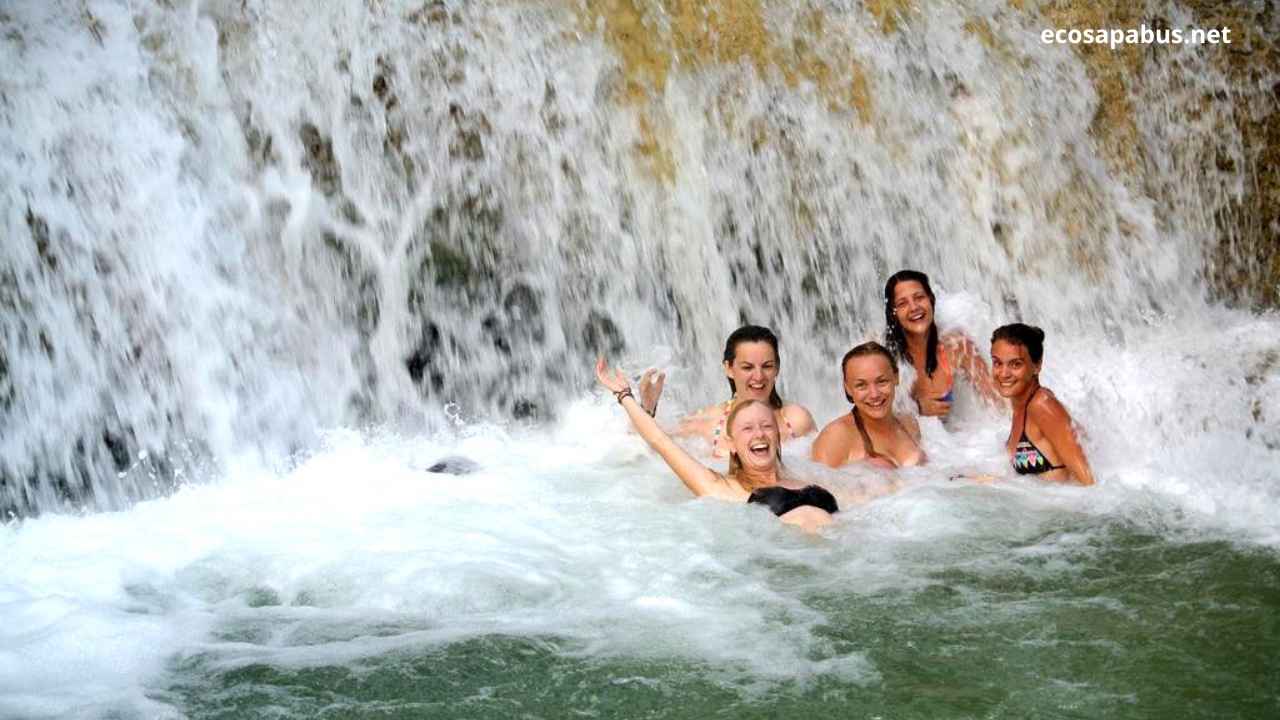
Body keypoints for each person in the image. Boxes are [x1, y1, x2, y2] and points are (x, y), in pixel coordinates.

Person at [596, 358, 836, 531]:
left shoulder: (809, 475)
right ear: (731, 444)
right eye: (747, 428)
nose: (759, 434)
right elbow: (660, 441)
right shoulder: (720, 488)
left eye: (766, 426)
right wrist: (624, 396)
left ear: (777, 435)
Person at [639, 325, 815, 457]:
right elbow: (645, 447)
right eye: (747, 367)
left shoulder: (796, 420)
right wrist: (647, 409)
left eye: (767, 366)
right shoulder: (706, 424)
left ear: (777, 368)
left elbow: (822, 472)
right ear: (729, 368)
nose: (759, 376)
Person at [884, 270, 1002, 418]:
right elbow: (871, 417)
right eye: (902, 303)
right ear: (893, 313)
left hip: (952, 437)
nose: (914, 307)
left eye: (919, 297)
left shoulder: (956, 346)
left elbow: (997, 402)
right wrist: (917, 408)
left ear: (931, 300)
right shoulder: (882, 356)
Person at [990, 324, 1095, 486]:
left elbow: (1090, 482)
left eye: (1016, 364)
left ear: (1037, 366)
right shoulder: (1021, 407)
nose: (1003, 374)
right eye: (997, 363)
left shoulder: (1042, 405)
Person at [811, 342, 926, 469]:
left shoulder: (909, 424)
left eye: (882, 381)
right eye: (861, 385)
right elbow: (817, 486)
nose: (874, 394)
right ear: (848, 388)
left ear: (896, 377)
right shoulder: (835, 437)